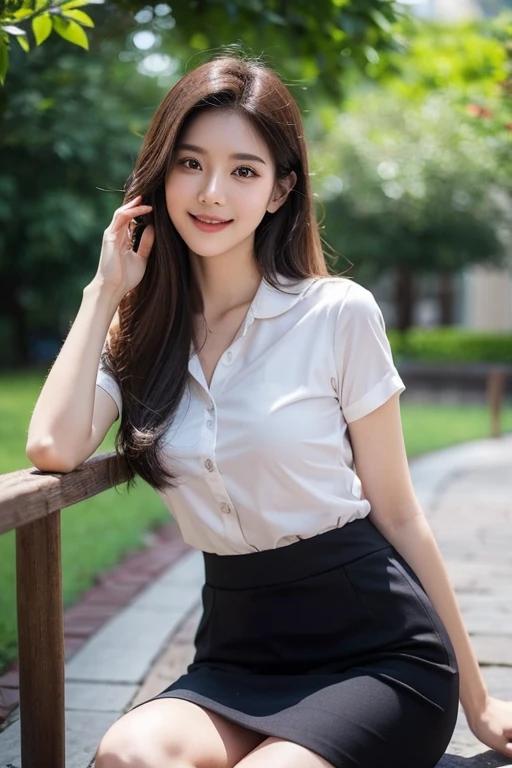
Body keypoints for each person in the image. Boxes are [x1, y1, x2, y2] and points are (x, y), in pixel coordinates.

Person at [26, 54, 512, 768]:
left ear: (282, 190)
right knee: (126, 754)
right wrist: (104, 293)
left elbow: (402, 513)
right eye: (190, 163)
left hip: (376, 652)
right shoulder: (142, 337)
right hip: (236, 651)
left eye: (244, 171)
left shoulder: (336, 314)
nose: (212, 192)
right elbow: (52, 446)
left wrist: (480, 699)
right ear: (160, 174)